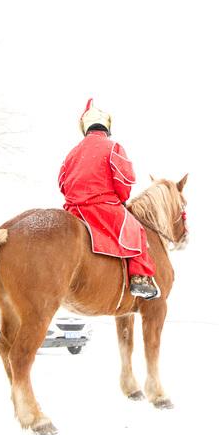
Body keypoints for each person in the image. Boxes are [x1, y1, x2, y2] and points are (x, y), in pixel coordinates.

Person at [58, 98, 158, 299]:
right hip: (103, 208)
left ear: (86, 129)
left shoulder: (72, 152)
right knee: (137, 231)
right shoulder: (113, 147)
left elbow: (61, 182)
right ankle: (140, 279)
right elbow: (125, 178)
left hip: (73, 210)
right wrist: (121, 198)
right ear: (106, 128)